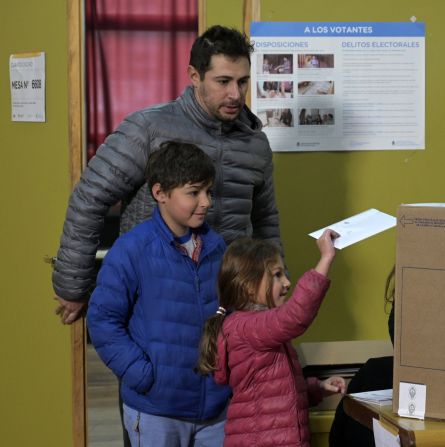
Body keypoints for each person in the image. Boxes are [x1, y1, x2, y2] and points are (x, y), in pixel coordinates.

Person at [53, 25, 282, 325]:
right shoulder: (148, 129)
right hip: (156, 299)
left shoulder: (256, 143)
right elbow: (89, 198)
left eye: (243, 82)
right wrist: (73, 285)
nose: (235, 94)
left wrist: (277, 282)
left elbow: (266, 222)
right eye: (223, 81)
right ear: (195, 76)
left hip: (229, 303)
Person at [87, 142, 230, 446]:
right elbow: (102, 321)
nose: (206, 202)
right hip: (156, 411)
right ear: (160, 193)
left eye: (208, 192)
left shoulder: (219, 248)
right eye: (194, 193)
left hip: (216, 409)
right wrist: (144, 377)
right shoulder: (131, 250)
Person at [197, 229, 346, 447]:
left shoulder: (262, 329)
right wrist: (325, 259)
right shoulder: (247, 327)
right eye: (277, 275)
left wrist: (317, 388)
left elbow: (275, 391)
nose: (287, 282)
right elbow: (296, 315)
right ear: (248, 286)